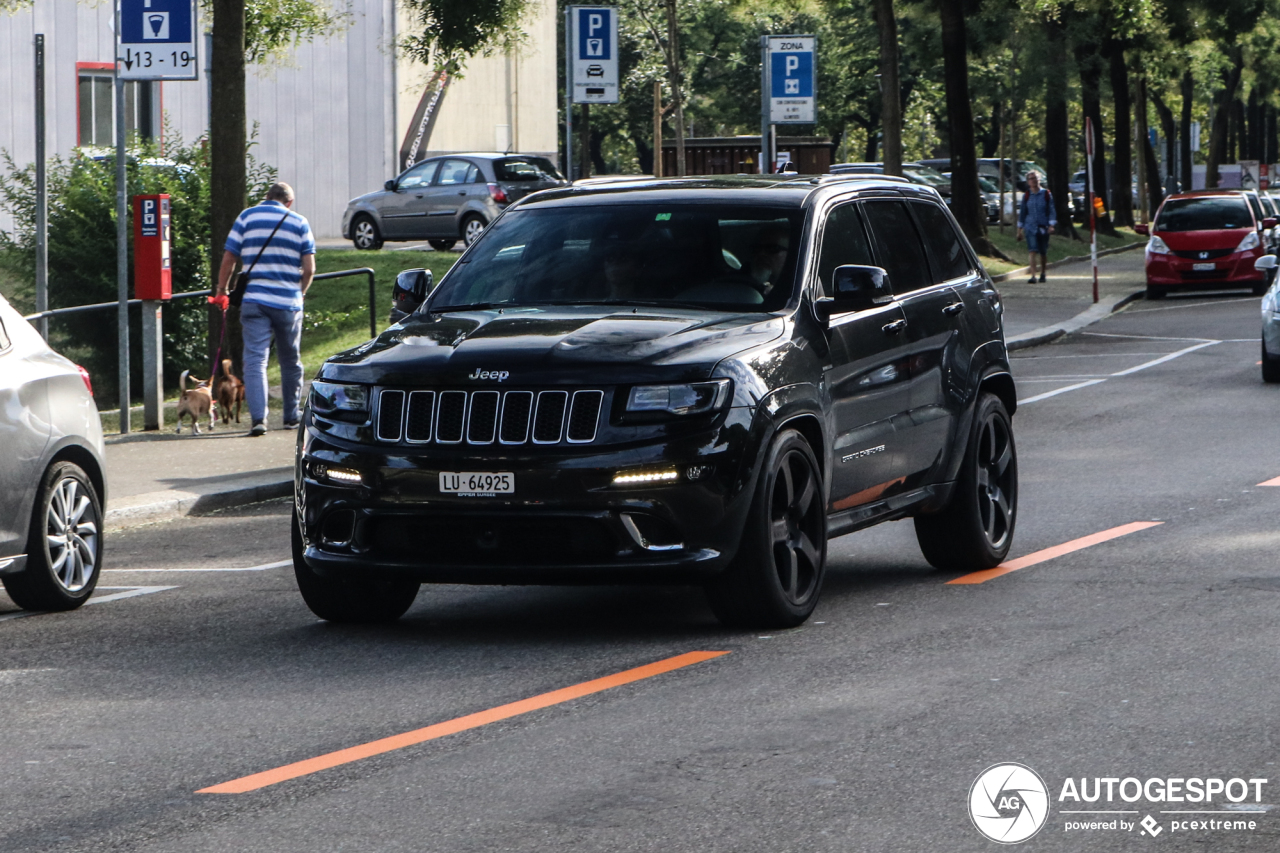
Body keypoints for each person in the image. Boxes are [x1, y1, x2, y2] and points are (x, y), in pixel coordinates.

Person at [216, 182, 316, 437]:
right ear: (289, 202)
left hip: (254, 301)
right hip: (288, 303)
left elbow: (229, 257)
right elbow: (310, 268)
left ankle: (258, 419)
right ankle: (291, 416)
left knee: (255, 360)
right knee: (290, 361)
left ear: (266, 197)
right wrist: (300, 292)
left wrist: (221, 289)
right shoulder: (299, 222)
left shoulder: (247, 217)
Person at [1016, 170, 1056, 283]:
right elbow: (1023, 212)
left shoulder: (1046, 194)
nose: (1033, 181)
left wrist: (1051, 225)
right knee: (1032, 250)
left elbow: (1051, 210)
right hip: (1030, 226)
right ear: (1028, 182)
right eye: (1030, 179)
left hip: (1043, 226)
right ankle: (1033, 275)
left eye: (1035, 178)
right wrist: (1019, 230)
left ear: (1039, 180)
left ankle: (1043, 273)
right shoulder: (1027, 195)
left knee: (1043, 251)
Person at [746, 224, 791, 297]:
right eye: (757, 248)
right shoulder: (736, 285)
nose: (761, 253)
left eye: (773, 248)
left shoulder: (797, 289)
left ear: (789, 254)